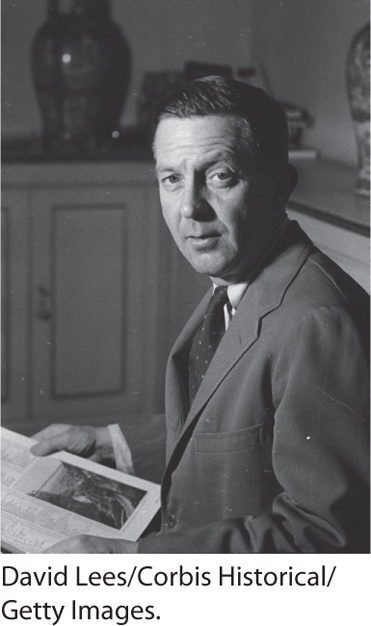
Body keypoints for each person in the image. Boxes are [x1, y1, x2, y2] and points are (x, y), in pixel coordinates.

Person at [31, 76, 370, 554]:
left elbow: (321, 543)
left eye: (220, 176)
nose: (190, 207)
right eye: (172, 178)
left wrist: (129, 561)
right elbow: (233, 430)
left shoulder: (317, 323)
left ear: (281, 186)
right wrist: (107, 442)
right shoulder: (239, 281)